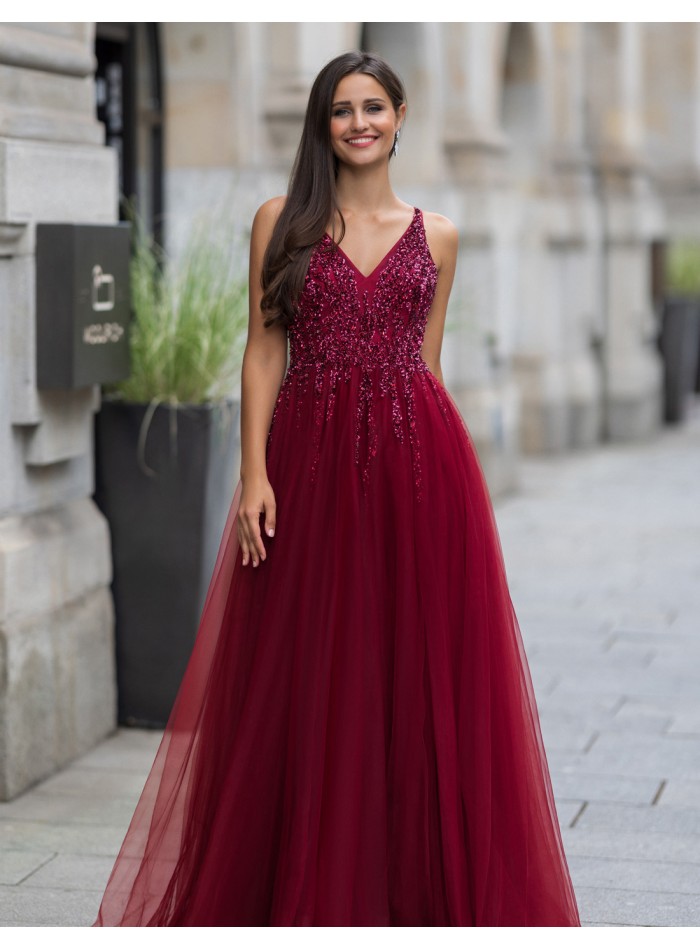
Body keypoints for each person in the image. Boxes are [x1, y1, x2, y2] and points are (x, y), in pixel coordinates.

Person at [93, 50, 581, 927]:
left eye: (374, 107)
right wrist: (253, 475)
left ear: (400, 117)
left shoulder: (439, 236)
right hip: (306, 471)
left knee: (407, 678)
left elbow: (427, 366)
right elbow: (263, 349)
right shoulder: (281, 221)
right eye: (341, 110)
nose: (359, 123)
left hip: (416, 474)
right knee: (306, 673)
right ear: (322, 126)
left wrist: (447, 490)